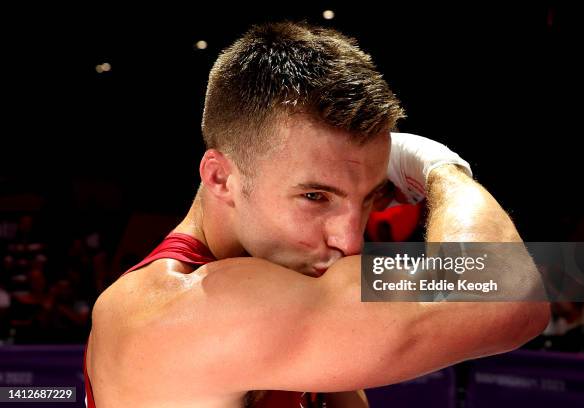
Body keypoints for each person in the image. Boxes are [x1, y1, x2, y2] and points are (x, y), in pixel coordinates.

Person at [85, 22, 550, 407]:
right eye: (315, 197)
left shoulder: (293, 278)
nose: (349, 242)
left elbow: (557, 273)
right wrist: (441, 169)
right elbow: (512, 294)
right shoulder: (178, 311)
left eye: (368, 197)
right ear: (221, 177)